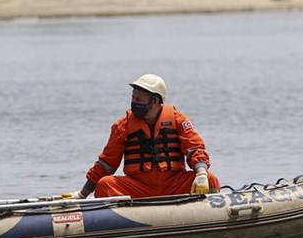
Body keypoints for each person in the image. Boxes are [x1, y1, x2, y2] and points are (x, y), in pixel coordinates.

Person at [76, 73, 219, 199]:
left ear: (155, 101)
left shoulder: (178, 120)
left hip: (174, 184)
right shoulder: (123, 125)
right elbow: (106, 164)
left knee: (210, 179)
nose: (134, 103)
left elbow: (194, 148)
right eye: (133, 98)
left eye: (139, 99)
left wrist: (200, 173)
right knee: (105, 184)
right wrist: (82, 194)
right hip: (139, 188)